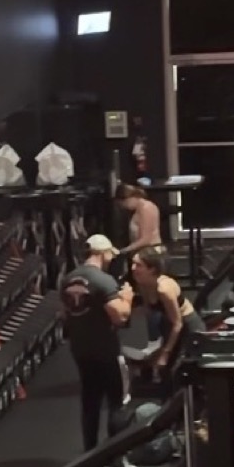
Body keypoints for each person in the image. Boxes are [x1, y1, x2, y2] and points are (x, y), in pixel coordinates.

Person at [59, 233, 132, 452]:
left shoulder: (67, 279)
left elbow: (64, 315)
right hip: (106, 349)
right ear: (101, 253)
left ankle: (89, 454)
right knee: (117, 401)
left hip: (81, 349)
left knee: (90, 402)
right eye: (109, 254)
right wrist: (127, 297)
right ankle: (115, 456)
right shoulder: (104, 281)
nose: (111, 258)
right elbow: (120, 317)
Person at [125, 246, 196, 383]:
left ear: (152, 269)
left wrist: (165, 352)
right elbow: (148, 309)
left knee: (179, 369)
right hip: (168, 324)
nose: (133, 268)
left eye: (138, 265)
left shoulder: (164, 289)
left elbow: (178, 323)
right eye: (133, 263)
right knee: (164, 370)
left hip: (187, 326)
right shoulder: (142, 283)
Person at [118, 180, 163, 252]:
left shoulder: (146, 208)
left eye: (124, 204)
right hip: (142, 251)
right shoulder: (138, 210)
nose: (124, 207)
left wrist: (126, 250)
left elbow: (146, 239)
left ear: (129, 198)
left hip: (151, 252)